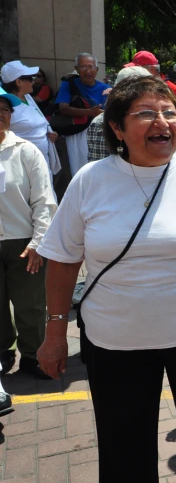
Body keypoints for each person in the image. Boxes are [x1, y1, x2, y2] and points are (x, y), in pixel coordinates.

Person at [36, 74, 176, 483]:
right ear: (118, 129)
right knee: (124, 451)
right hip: (116, 342)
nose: (163, 121)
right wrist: (54, 333)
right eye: (146, 114)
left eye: (170, 112)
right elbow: (64, 260)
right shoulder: (90, 181)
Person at [0, 90, 57, 379]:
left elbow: (44, 201)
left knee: (30, 304)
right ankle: (2, 352)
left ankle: (33, 355)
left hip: (23, 242)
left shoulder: (25, 151)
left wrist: (39, 242)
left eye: (5, 108)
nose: (1, 113)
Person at [53, 53, 110, 180]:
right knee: (79, 170)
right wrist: (90, 112)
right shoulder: (69, 84)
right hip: (76, 133)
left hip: (99, 134)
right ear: (77, 69)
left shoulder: (106, 88)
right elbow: (63, 108)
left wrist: (99, 113)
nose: (88, 71)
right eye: (83, 67)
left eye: (91, 67)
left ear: (97, 69)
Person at [2, 61, 60, 180]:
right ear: (19, 82)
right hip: (21, 166)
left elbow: (39, 121)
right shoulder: (4, 106)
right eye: (30, 78)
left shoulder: (28, 97)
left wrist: (48, 132)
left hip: (42, 160)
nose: (33, 81)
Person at [131, 51, 176, 124]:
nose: (133, 71)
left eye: (137, 68)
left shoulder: (171, 88)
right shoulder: (136, 87)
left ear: (152, 69)